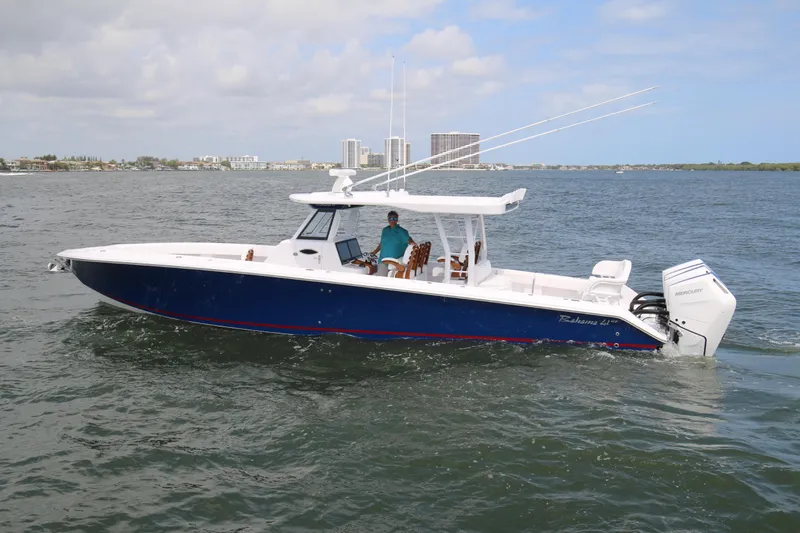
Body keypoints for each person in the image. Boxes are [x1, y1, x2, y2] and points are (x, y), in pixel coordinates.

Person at [371, 210, 416, 276]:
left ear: (397, 219)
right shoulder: (385, 230)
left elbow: (409, 240)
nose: (393, 220)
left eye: (395, 218)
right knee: (380, 277)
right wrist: (374, 252)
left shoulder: (402, 231)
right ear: (388, 219)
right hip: (383, 260)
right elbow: (382, 243)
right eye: (391, 218)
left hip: (395, 263)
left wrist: (413, 243)